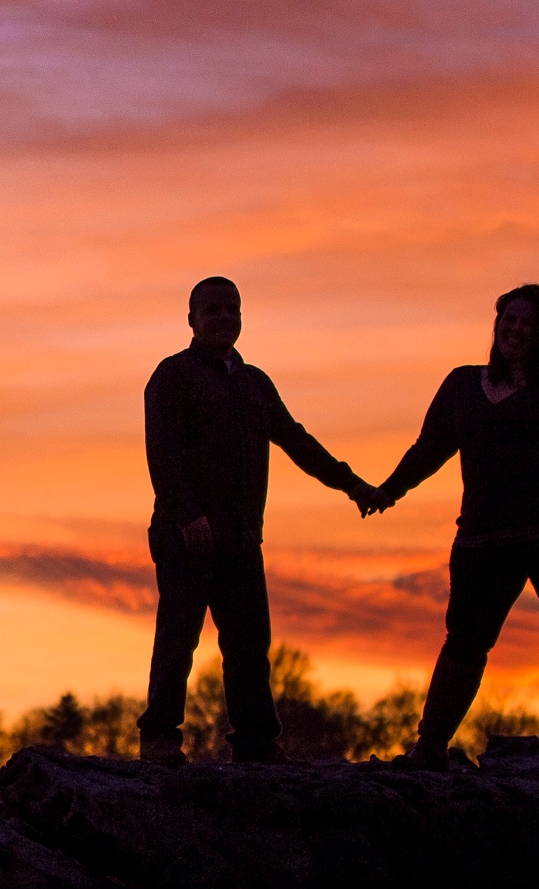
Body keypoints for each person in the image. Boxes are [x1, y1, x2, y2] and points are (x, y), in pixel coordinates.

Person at [362, 283, 539, 763]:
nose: (515, 329)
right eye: (509, 319)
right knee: (465, 642)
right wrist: (388, 490)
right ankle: (430, 747)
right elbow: (429, 449)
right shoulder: (463, 386)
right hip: (484, 541)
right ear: (497, 325)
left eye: (527, 323)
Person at [139, 276, 372, 765]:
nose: (224, 318)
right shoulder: (172, 376)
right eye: (213, 310)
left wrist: (351, 484)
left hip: (241, 540)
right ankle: (159, 738)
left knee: (249, 645)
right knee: (178, 638)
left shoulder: (255, 385)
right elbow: (162, 454)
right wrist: (187, 516)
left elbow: (297, 441)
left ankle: (256, 743)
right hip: (187, 538)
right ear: (192, 320)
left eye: (233, 310)